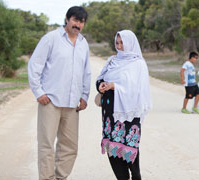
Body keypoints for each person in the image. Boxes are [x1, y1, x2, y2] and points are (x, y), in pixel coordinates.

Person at [28, 6, 90, 180]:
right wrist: (39, 92)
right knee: (47, 144)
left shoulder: (83, 43)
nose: (78, 24)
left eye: (81, 21)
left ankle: (60, 177)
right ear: (67, 19)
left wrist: (84, 95)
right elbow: (35, 66)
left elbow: (86, 71)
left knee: (70, 146)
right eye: (75, 20)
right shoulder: (51, 38)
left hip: (72, 104)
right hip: (51, 102)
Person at [96, 30, 152, 180]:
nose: (120, 46)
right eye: (117, 43)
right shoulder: (112, 61)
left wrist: (115, 86)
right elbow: (100, 78)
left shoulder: (138, 64)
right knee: (112, 148)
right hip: (110, 113)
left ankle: (136, 176)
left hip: (129, 113)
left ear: (131, 43)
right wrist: (101, 85)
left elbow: (138, 89)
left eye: (123, 43)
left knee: (128, 147)